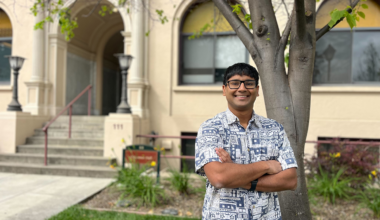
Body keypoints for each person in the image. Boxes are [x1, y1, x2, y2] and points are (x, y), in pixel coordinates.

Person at [195, 63, 298, 220]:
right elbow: (219, 177)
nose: (242, 88)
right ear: (224, 90)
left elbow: (290, 180)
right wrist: (267, 166)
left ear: (257, 91)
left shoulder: (274, 129)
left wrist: (238, 176)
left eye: (249, 83)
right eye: (235, 83)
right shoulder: (211, 128)